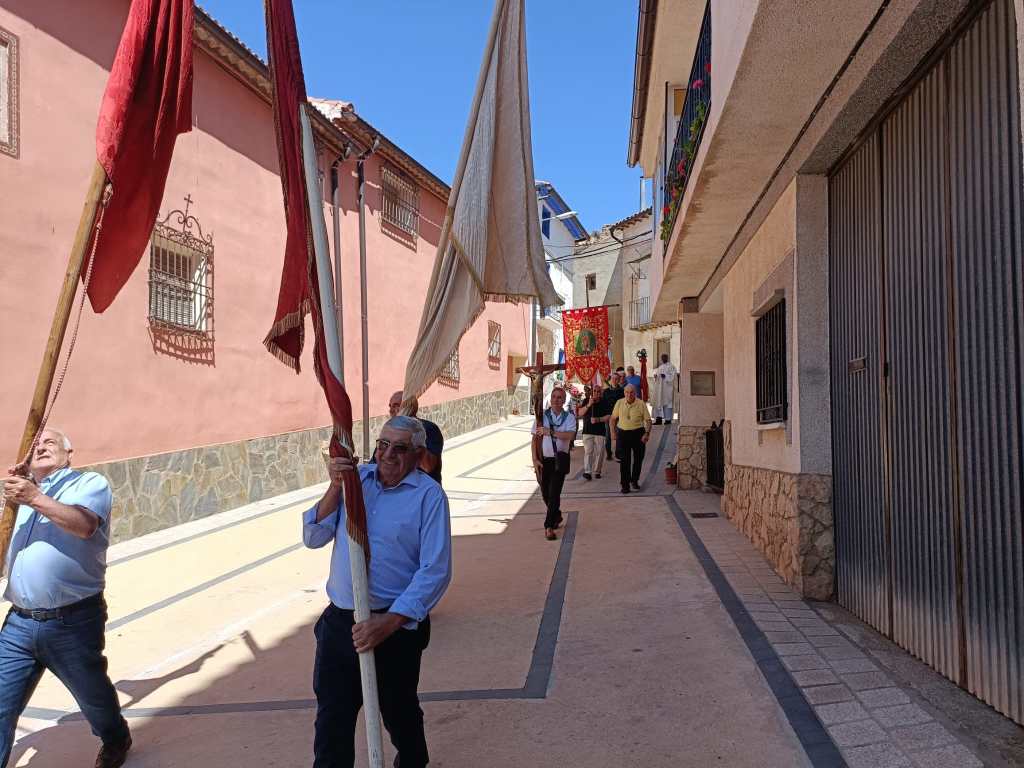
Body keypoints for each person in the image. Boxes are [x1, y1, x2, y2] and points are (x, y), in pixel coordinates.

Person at [304, 415, 452, 768]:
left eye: (399, 448)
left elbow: (435, 570)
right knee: (333, 717)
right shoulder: (355, 482)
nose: (387, 454)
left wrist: (390, 622)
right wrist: (335, 488)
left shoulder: (429, 496)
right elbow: (313, 536)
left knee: (398, 711)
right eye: (383, 444)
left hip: (393, 626)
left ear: (418, 454)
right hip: (341, 622)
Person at [0, 429, 131, 768]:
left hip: (72, 620)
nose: (41, 447)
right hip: (18, 621)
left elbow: (84, 525)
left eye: (51, 443)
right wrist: (19, 498)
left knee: (94, 699)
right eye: (36, 444)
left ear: (68, 454)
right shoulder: (19, 497)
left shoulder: (89, 484)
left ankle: (116, 738)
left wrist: (34, 497)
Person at [531, 387, 576, 541]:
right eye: (554, 397)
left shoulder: (569, 417)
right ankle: (556, 515)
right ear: (550, 399)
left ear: (564, 400)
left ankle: (549, 526)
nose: (556, 400)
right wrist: (535, 459)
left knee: (554, 493)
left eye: (559, 397)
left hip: (560, 460)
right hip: (544, 460)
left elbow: (570, 435)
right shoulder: (542, 417)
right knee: (545, 493)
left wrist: (550, 432)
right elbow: (534, 439)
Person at [384, 390, 444, 485]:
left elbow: (428, 467)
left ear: (409, 407)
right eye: (390, 406)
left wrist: (411, 432)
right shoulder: (390, 431)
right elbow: (376, 462)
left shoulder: (429, 428)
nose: (391, 411)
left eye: (396, 406)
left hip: (423, 490)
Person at [610, 384, 653, 494]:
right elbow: (613, 419)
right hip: (623, 434)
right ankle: (625, 485)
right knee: (624, 460)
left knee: (638, 459)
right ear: (624, 393)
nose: (629, 395)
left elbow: (648, 421)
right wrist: (613, 433)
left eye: (631, 392)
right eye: (627, 392)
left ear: (635, 393)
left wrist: (647, 433)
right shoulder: (619, 403)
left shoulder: (641, 403)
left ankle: (634, 480)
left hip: (638, 433)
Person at [576, 383, 609, 480]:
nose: (596, 393)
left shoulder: (604, 402)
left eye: (598, 391)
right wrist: (588, 405)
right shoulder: (586, 400)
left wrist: (598, 419)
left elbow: (608, 416)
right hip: (587, 431)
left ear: (601, 393)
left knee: (600, 453)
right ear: (592, 392)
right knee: (588, 452)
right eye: (594, 391)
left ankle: (597, 471)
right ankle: (587, 472)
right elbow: (580, 413)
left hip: (600, 432)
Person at [601, 372, 626, 462]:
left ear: (619, 380)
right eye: (613, 379)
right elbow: (603, 404)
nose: (614, 380)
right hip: (608, 416)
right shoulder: (606, 391)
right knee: (608, 435)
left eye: (616, 379)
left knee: (619, 434)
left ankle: (618, 453)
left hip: (619, 416)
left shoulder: (622, 391)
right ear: (611, 380)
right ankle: (609, 453)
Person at [653, 354, 678, 425]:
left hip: (667, 389)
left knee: (668, 404)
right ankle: (659, 419)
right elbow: (657, 377)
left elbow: (673, 377)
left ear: (667, 358)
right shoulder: (660, 367)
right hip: (659, 389)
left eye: (664, 357)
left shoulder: (671, 366)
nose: (663, 359)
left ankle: (668, 420)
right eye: (662, 357)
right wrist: (656, 377)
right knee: (658, 403)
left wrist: (665, 376)